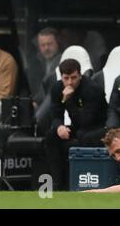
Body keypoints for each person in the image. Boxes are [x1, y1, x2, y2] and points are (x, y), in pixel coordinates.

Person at [44, 58, 107, 190]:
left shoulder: (92, 89)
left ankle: (76, 181)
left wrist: (69, 100)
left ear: (80, 75)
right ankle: (56, 183)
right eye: (66, 78)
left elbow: (86, 121)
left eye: (74, 78)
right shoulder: (57, 88)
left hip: (98, 128)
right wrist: (59, 127)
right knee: (51, 136)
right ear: (61, 77)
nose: (70, 82)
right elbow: (55, 113)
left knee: (82, 135)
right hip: (79, 126)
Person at [27, 27, 62, 107]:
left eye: (49, 44)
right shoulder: (37, 64)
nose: (46, 48)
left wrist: (36, 102)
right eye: (43, 45)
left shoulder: (62, 61)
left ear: (57, 43)